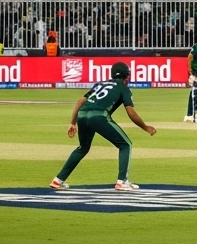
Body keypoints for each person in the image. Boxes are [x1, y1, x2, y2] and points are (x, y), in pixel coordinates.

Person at [51, 61, 156, 191]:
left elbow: (79, 102)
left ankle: (58, 180)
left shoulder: (100, 84)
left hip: (82, 115)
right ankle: (122, 181)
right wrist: (145, 127)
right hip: (99, 116)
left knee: (82, 148)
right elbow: (130, 111)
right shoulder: (123, 87)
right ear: (127, 76)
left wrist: (73, 123)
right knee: (125, 145)